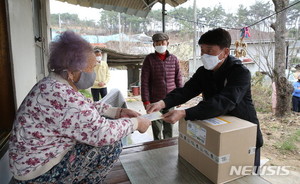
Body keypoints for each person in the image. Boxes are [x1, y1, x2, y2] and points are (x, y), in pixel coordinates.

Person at [9, 30, 151, 184]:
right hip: (38, 174)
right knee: (110, 144)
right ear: (71, 72)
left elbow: (85, 106)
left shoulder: (53, 84)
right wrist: (136, 123)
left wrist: (118, 112)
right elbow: (102, 133)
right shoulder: (61, 95)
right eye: (90, 69)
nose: (93, 74)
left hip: (32, 163)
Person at [147, 28, 263, 169]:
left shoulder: (240, 73)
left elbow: (224, 101)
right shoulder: (204, 72)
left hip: (243, 133)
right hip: (217, 130)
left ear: (225, 52)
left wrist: (185, 113)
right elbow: (186, 90)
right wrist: (163, 102)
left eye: (209, 51)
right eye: (202, 50)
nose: (204, 55)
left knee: (245, 175)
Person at [141, 32, 182, 140]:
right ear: (154, 45)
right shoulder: (149, 59)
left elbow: (178, 79)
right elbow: (144, 82)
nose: (160, 45)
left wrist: (180, 98)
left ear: (167, 43)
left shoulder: (174, 59)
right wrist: (146, 101)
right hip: (154, 100)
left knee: (169, 126)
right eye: (157, 43)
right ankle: (157, 145)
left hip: (171, 98)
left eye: (162, 43)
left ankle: (167, 145)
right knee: (157, 127)